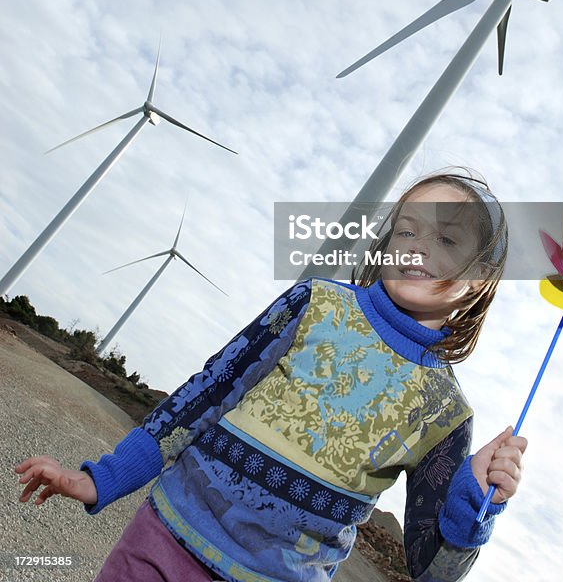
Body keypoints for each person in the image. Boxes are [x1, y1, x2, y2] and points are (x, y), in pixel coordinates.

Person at [15, 169, 527, 582]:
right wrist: (100, 479)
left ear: (482, 276)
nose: (417, 246)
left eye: (446, 239)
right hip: (167, 535)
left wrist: (471, 506)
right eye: (408, 229)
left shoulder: (447, 412)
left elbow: (429, 568)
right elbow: (205, 394)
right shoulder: (314, 303)